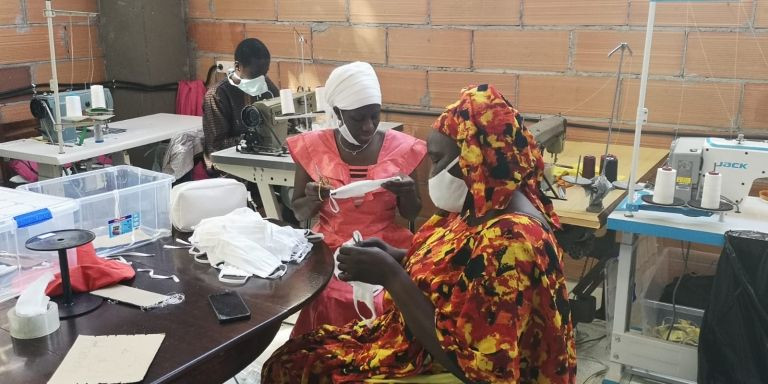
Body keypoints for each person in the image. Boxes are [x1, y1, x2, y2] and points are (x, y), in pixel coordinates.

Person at [262, 84, 576, 384]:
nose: (433, 173)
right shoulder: (480, 205)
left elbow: (480, 371)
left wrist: (392, 277)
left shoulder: (513, 242)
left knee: (292, 368)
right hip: (416, 341)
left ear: (475, 159)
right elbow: (458, 271)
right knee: (295, 353)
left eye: (438, 161)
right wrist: (397, 257)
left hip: (441, 363)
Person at [287, 61, 427, 337]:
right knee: (323, 295)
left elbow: (412, 213)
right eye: (358, 118)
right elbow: (297, 209)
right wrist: (313, 199)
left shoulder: (400, 149)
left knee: (388, 295)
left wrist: (408, 193)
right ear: (337, 112)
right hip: (330, 246)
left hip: (384, 244)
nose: (368, 126)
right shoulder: (313, 148)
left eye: (375, 116)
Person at [201, 38, 279, 174]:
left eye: (264, 73)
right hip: (229, 168)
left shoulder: (266, 85)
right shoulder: (217, 95)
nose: (261, 78)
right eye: (255, 74)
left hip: (260, 158)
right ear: (237, 66)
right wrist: (250, 139)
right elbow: (216, 146)